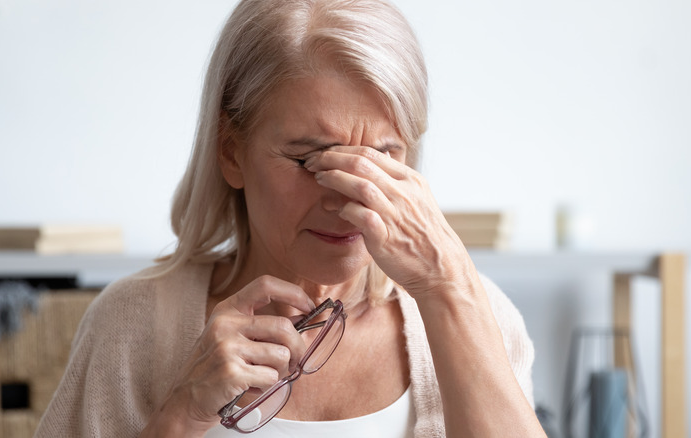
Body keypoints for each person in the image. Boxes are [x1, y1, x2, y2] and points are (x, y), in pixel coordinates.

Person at [35, 0, 546, 436]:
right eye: (310, 161)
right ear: (232, 152)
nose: (350, 200)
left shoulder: (479, 316)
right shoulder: (132, 324)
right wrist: (182, 414)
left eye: (383, 159)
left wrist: (449, 286)